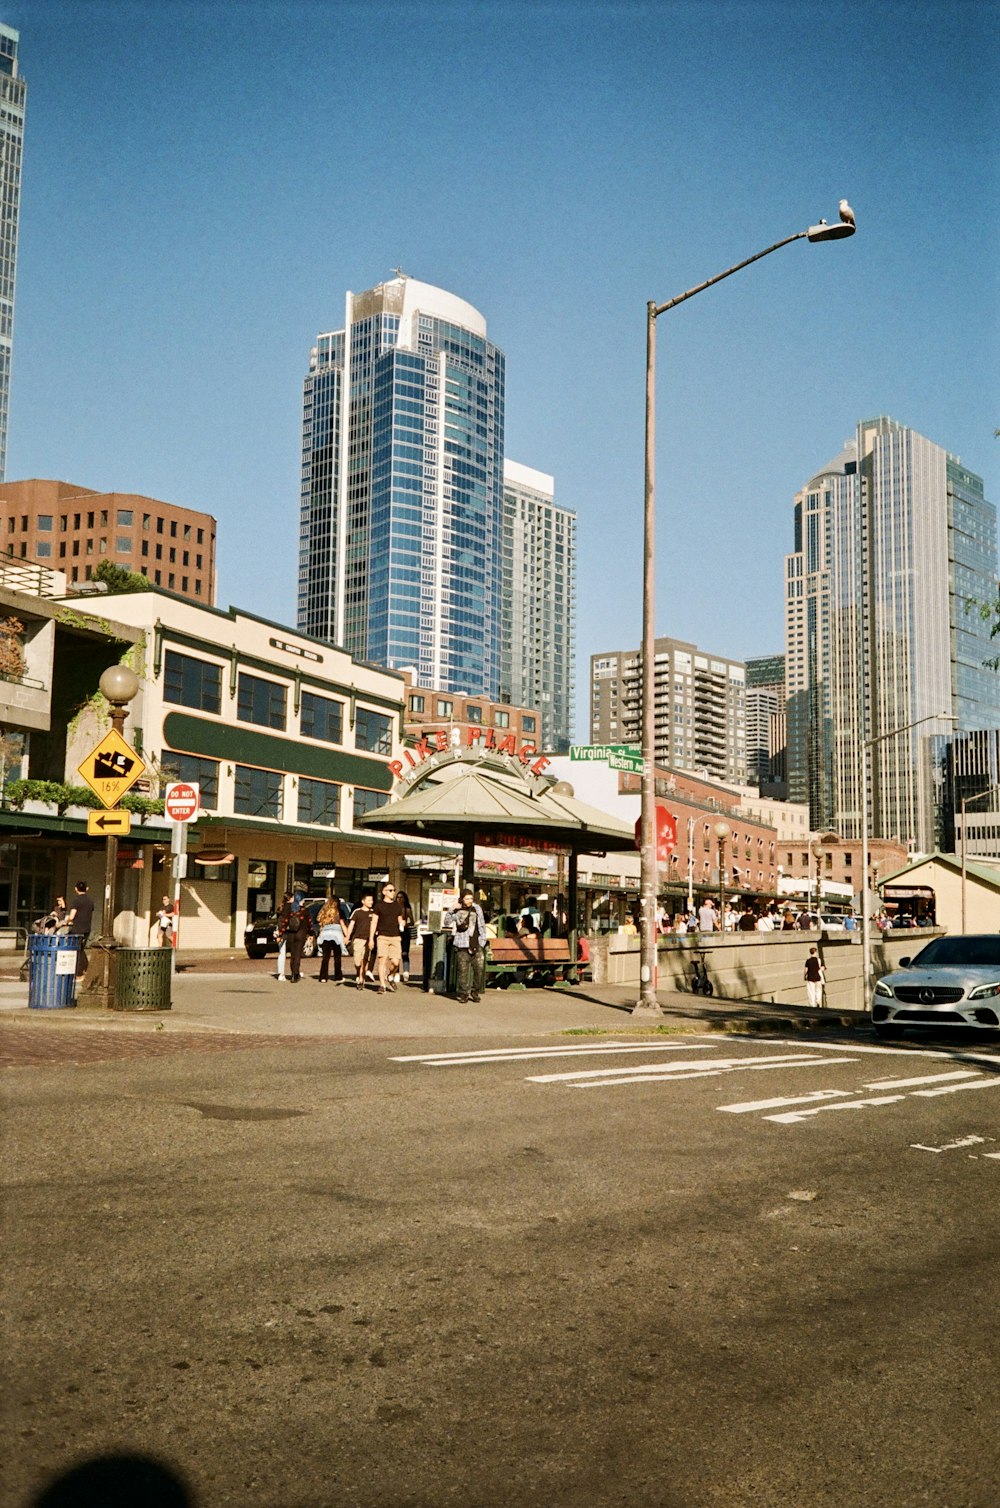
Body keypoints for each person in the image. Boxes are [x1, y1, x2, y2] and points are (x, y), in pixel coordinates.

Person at [444, 888, 488, 1003]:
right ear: (462, 899)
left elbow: (482, 925)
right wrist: (451, 910)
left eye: (471, 898)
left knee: (479, 969)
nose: (469, 901)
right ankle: (464, 993)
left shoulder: (476, 908)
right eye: (467, 898)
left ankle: (475, 991)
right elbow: (446, 922)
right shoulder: (457, 910)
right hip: (462, 944)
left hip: (476, 943)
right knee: (462, 971)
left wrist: (482, 941)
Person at [373, 881, 407, 994]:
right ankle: (382, 985)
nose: (393, 892)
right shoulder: (378, 905)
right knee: (382, 961)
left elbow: (400, 919)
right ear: (384, 892)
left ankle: (390, 976)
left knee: (395, 962)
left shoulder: (397, 906)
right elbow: (374, 922)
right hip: (382, 936)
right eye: (390, 890)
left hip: (395, 936)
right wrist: (371, 938)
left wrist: (402, 923)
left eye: (394, 890)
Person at [344, 892, 376, 988]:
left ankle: (362, 979)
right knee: (357, 962)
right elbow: (351, 925)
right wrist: (347, 936)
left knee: (365, 960)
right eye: (369, 900)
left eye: (372, 900)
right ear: (363, 901)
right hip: (358, 939)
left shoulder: (373, 913)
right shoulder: (357, 912)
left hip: (368, 939)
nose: (371, 902)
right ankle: (359, 973)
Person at [66, 880, 95, 977]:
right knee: (81, 949)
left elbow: (72, 916)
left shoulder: (76, 900)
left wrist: (67, 920)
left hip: (77, 929)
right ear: (87, 889)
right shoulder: (90, 901)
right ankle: (87, 969)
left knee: (76, 950)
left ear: (75, 889)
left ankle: (78, 973)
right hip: (87, 928)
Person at [315, 897, 346, 983]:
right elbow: (343, 925)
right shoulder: (339, 912)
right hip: (337, 936)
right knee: (337, 957)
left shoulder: (324, 912)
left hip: (325, 935)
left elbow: (321, 925)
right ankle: (338, 976)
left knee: (325, 957)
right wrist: (347, 936)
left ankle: (323, 977)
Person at [397, 890, 415, 982]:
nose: (399, 899)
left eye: (401, 897)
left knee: (404, 952)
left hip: (404, 932)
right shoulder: (394, 908)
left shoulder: (407, 909)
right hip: (395, 932)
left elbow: (412, 921)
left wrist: (406, 924)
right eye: (398, 897)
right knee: (395, 953)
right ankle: (395, 973)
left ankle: (406, 971)